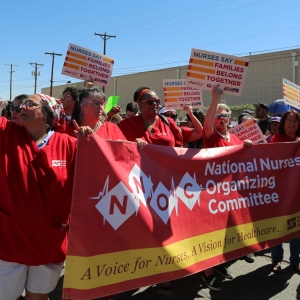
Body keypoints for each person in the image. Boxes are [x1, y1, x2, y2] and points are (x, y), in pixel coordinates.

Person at [0, 94, 78, 300]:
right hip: (10, 240)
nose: (21, 107)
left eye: (30, 104)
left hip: (50, 240)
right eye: (21, 104)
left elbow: (108, 163)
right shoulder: (5, 133)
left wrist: (140, 149)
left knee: (39, 297)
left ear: (47, 113)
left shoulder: (70, 144)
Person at [201, 85, 253, 291]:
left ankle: (219, 264)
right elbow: (206, 125)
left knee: (224, 232)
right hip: (212, 191)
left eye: (226, 114)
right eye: (219, 115)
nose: (224, 118)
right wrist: (215, 100)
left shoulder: (234, 137)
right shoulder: (210, 135)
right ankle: (207, 271)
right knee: (209, 232)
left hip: (230, 192)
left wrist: (247, 145)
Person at [119, 86, 203, 147]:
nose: (155, 104)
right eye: (150, 102)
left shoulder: (169, 122)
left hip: (166, 170)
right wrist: (131, 144)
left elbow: (199, 133)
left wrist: (190, 114)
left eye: (157, 101)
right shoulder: (127, 124)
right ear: (140, 104)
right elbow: (111, 142)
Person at [269, 110, 300, 274]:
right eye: (290, 120)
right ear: (283, 123)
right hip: (280, 190)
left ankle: (296, 260)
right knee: (279, 225)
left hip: (297, 191)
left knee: (297, 225)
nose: (293, 124)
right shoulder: (276, 139)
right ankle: (276, 259)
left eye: (296, 121)